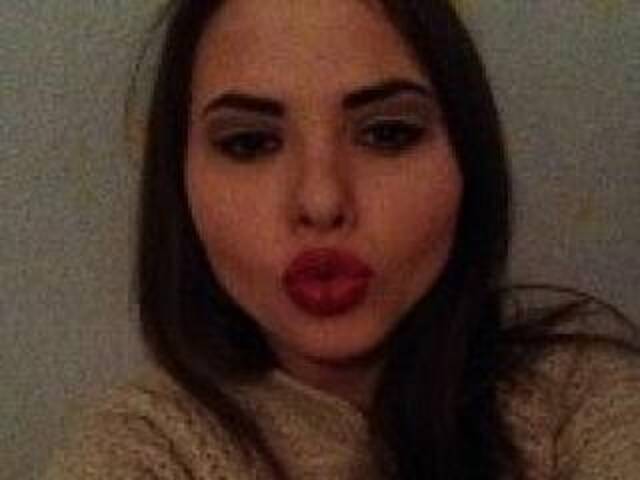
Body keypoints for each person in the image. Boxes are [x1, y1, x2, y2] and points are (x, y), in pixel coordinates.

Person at [45, 0, 640, 479]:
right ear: (179, 184)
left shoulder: (583, 402)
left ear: (468, 158)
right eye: (249, 143)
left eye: (388, 133)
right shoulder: (147, 446)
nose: (322, 201)